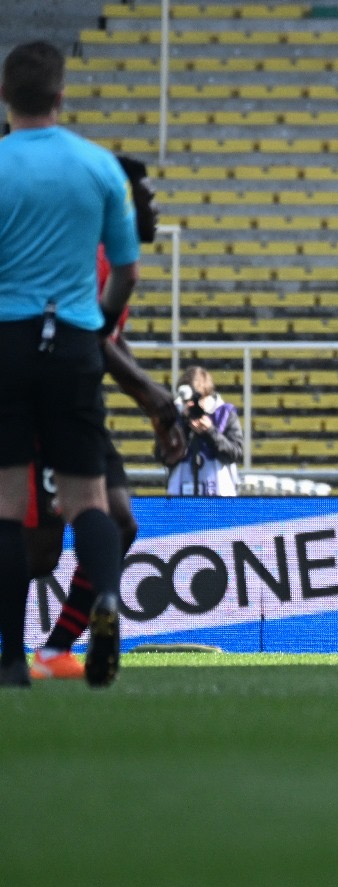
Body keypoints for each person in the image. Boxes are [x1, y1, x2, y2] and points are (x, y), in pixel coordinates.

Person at [0, 41, 137, 688]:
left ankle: (9, 661)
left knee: (5, 506)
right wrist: (98, 324)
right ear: (60, 96)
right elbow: (126, 271)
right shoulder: (99, 167)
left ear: (6, 99)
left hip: (6, 343)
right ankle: (106, 602)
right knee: (88, 501)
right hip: (75, 342)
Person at [30, 155, 185, 680]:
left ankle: (54, 652)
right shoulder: (95, 256)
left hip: (81, 410)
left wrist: (155, 409)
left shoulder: (113, 259)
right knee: (39, 551)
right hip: (42, 403)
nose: (156, 206)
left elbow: (110, 341)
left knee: (118, 524)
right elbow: (89, 338)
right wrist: (152, 398)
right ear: (118, 201)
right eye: (145, 194)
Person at [166, 365, 244, 497]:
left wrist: (210, 432)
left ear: (207, 394)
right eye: (188, 401)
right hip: (180, 498)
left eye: (197, 399)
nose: (192, 405)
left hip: (219, 498)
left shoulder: (224, 413)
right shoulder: (174, 416)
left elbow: (235, 454)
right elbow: (163, 455)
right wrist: (183, 427)